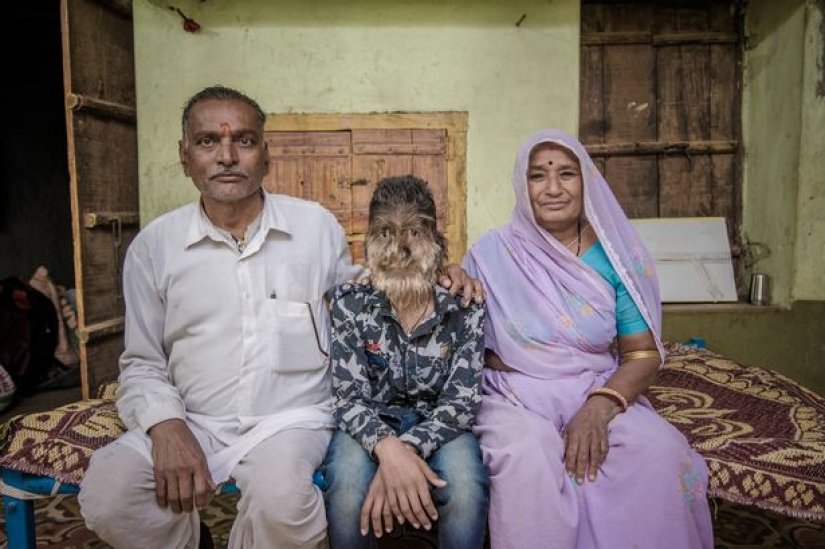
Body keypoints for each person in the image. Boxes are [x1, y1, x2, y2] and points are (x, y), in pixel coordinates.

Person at [78, 85, 482, 549]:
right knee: (109, 493)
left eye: (244, 141)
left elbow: (367, 291)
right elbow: (142, 361)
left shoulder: (314, 227)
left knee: (284, 507)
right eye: (208, 141)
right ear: (184, 155)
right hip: (194, 418)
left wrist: (439, 273)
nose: (227, 156)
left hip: (290, 421)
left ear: (266, 155)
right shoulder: (154, 247)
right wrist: (165, 424)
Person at [462, 129, 714, 549]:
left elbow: (642, 354)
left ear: (587, 182)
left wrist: (599, 407)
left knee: (660, 452)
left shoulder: (618, 258)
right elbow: (466, 344)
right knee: (526, 457)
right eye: (538, 176)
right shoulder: (490, 254)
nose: (553, 188)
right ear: (522, 185)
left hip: (593, 386)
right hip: (512, 395)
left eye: (566, 173)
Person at [321, 175, 489, 549]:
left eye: (413, 232)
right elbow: (348, 399)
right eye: (384, 233)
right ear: (368, 242)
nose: (399, 248)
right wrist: (387, 448)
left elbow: (461, 403)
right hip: (369, 424)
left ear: (436, 241)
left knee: (465, 487)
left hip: (441, 424)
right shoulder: (350, 303)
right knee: (346, 487)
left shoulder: (464, 307)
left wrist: (406, 450)